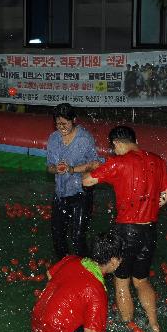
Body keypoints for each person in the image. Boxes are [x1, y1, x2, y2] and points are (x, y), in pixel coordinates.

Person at [82, 125, 167, 332]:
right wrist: (148, 208)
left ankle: (128, 325)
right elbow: (166, 195)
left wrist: (89, 168)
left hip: (126, 230)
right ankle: (154, 324)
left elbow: (87, 181)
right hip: (149, 229)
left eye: (114, 148)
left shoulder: (119, 162)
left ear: (117, 144)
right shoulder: (158, 161)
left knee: (122, 281)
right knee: (141, 280)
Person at [31, 232, 124, 332]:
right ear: (114, 262)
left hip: (36, 324)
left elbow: (50, 274)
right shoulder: (97, 291)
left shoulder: (71, 259)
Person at [45, 103, 101, 259]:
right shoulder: (53, 138)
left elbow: (96, 164)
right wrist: (56, 169)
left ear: (74, 120)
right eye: (58, 123)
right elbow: (48, 167)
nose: (61, 127)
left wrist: (72, 169)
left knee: (77, 237)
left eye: (65, 123)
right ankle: (64, 267)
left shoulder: (84, 138)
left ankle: (87, 270)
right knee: (57, 235)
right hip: (60, 193)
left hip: (81, 193)